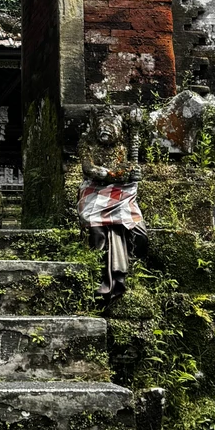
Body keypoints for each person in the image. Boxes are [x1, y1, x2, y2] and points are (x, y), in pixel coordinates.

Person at [77, 108, 147, 299]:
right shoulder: (88, 144)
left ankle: (131, 262)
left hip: (120, 192)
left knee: (138, 230)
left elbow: (130, 167)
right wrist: (100, 172)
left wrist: (123, 173)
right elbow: (88, 167)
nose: (104, 130)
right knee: (96, 228)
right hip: (95, 192)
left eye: (110, 126)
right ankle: (99, 267)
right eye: (101, 126)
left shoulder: (125, 145)